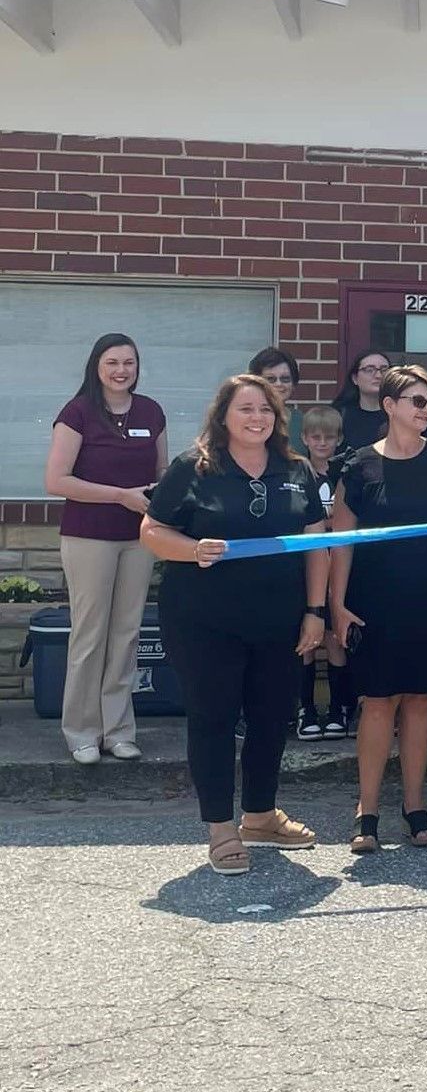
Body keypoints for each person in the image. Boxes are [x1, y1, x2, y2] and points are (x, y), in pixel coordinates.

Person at [142, 374, 328, 876]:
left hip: (279, 621)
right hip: (204, 622)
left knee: (272, 718)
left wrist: (316, 612)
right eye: (246, 409)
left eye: (266, 409)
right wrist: (191, 550)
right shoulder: (193, 468)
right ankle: (221, 828)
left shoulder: (297, 470)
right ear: (223, 416)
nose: (257, 418)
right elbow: (152, 531)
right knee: (214, 719)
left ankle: (261, 816)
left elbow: (316, 542)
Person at [330, 366, 427, 855]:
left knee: (420, 702)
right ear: (389, 405)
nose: (424, 409)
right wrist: (336, 605)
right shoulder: (356, 466)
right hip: (376, 602)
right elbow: (341, 544)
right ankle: (367, 809)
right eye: (415, 400)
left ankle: (415, 806)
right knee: (378, 701)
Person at [45, 333, 168, 765]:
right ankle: (81, 731)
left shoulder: (151, 411)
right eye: (112, 362)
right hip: (88, 537)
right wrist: (120, 495)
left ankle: (119, 730)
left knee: (126, 634)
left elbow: (162, 472)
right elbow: (57, 480)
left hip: (139, 538)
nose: (121, 371)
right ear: (96, 366)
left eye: (129, 363)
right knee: (90, 634)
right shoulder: (77, 412)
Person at [295, 404, 354, 739]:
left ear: (339, 439)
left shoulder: (344, 473)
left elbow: (345, 519)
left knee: (334, 636)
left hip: (340, 565)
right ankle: (306, 708)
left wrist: (325, 524)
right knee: (306, 637)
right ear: (304, 438)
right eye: (315, 437)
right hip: (306, 566)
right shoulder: (297, 473)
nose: (321, 443)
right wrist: (326, 525)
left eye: (329, 437)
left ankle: (339, 707)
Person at [334, 348, 392, 454]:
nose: (378, 375)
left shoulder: (400, 414)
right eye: (369, 370)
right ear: (355, 378)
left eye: (384, 370)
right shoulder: (339, 415)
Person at [248, 346, 305, 452]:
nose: (279, 384)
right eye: (271, 379)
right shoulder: (245, 420)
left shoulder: (302, 422)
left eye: (285, 379)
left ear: (293, 384)